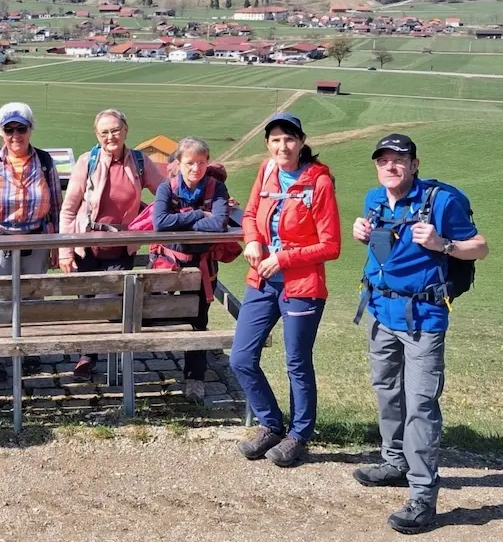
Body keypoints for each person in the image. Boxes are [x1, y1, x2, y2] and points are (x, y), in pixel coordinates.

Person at [350, 134, 488, 534]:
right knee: (387, 392)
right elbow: (384, 249)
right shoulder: (373, 199)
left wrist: (443, 243)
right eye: (383, 160)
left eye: (399, 160)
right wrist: (363, 232)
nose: (390, 167)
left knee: (421, 405)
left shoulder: (441, 202)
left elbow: (480, 246)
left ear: (414, 164)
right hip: (379, 313)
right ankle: (394, 462)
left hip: (423, 319)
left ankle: (423, 495)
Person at [230, 113, 341, 468]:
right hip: (262, 280)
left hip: (302, 284)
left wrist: (283, 257)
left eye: (289, 139)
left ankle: (299, 434)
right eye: (276, 139)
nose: (283, 146)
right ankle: (270, 424)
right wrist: (251, 241)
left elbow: (331, 245)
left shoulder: (319, 183)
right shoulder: (267, 172)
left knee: (296, 362)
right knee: (241, 358)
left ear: (302, 141)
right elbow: (249, 215)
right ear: (267, 144)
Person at [59, 109, 167, 381]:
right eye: (104, 132)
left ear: (126, 130)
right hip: (87, 245)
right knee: (86, 305)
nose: (111, 136)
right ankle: (89, 353)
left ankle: (94, 356)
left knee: (109, 303)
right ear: (97, 135)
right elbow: (69, 209)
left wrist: (206, 202)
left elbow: (166, 193)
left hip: (121, 246)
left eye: (115, 130)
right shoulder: (87, 162)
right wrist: (65, 250)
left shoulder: (140, 162)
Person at [0, 102, 62, 382]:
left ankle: (29, 351)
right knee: (1, 299)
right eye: (9, 129)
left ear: (31, 129)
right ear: (1, 132)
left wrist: (55, 244)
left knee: (33, 297)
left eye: (21, 128)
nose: (15, 135)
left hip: (36, 239)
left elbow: (55, 205)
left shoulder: (45, 162)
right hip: (0, 240)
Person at [149, 137, 230, 404]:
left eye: (201, 162)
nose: (196, 168)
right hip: (169, 265)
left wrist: (180, 221)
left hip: (202, 267)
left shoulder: (216, 188)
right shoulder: (166, 188)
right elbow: (160, 223)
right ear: (178, 163)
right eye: (190, 162)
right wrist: (197, 215)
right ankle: (151, 361)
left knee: (198, 322)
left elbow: (218, 224)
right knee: (155, 314)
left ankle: (195, 379)